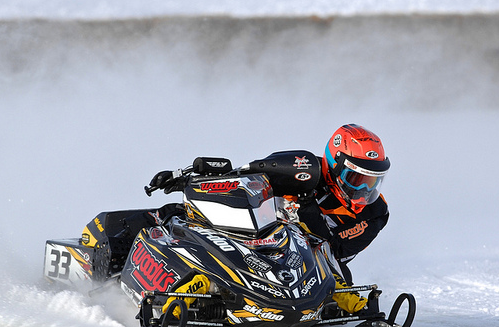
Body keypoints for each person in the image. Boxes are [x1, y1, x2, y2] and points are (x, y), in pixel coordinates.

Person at [150, 123, 390, 314]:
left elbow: (336, 250)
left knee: (330, 266)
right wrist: (186, 180)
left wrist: (307, 213)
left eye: (373, 182)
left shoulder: (375, 213)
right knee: (184, 213)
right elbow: (245, 177)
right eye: (357, 180)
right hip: (255, 240)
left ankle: (341, 299)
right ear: (336, 166)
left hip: (304, 263)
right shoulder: (303, 171)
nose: (365, 191)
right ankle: (198, 280)